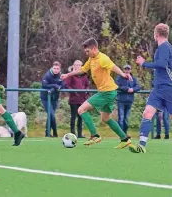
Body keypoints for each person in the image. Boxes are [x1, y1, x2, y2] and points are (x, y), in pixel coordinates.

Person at [61, 38, 132, 148]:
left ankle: (95, 135)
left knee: (81, 109)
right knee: (106, 119)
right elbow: (83, 69)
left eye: (88, 51)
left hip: (106, 93)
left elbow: (113, 67)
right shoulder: (91, 59)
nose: (86, 53)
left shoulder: (103, 58)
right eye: (85, 52)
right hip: (108, 92)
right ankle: (125, 139)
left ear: (94, 49)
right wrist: (68, 75)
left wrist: (123, 74)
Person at [129, 23, 172, 153]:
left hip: (168, 88)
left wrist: (144, 63)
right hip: (158, 89)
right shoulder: (163, 47)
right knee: (147, 113)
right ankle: (142, 146)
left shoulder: (164, 47)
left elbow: (162, 64)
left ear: (156, 35)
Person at [65, 60, 89, 138]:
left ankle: (79, 134)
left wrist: (86, 92)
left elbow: (87, 85)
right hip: (74, 99)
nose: (77, 66)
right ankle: (72, 133)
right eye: (75, 65)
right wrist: (74, 92)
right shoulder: (71, 75)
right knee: (73, 116)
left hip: (82, 99)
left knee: (81, 117)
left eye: (79, 65)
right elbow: (67, 85)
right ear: (73, 66)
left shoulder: (84, 75)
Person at [40, 61, 64, 137]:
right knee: (51, 115)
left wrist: (56, 87)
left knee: (51, 115)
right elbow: (44, 85)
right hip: (46, 98)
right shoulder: (47, 75)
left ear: (60, 69)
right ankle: (55, 133)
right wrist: (55, 86)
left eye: (57, 68)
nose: (56, 70)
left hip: (55, 98)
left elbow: (63, 84)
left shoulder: (60, 75)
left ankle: (48, 134)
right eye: (54, 68)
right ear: (52, 68)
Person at [116, 65, 141, 134]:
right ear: (123, 70)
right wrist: (127, 89)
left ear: (130, 70)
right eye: (125, 69)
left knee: (126, 118)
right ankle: (121, 134)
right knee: (121, 118)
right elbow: (117, 86)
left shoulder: (133, 78)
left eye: (128, 69)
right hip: (121, 100)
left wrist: (133, 89)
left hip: (129, 101)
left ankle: (125, 133)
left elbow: (138, 86)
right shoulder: (119, 78)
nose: (127, 71)